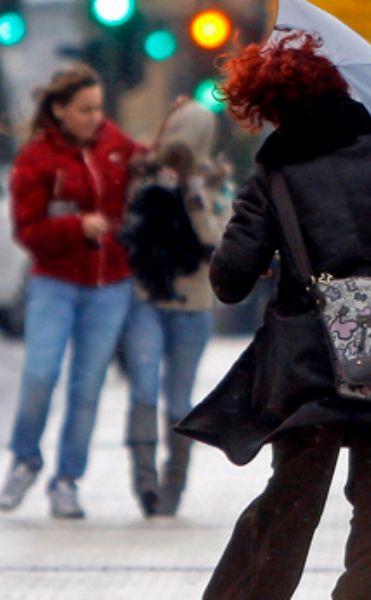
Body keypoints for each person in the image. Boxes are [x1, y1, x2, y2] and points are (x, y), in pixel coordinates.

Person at [194, 32, 371, 600]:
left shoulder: (276, 174)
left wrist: (277, 254)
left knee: (292, 500)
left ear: (269, 106)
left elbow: (230, 280)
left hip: (313, 360)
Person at [0, 65, 139, 518]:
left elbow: (149, 167)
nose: (95, 117)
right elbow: (28, 229)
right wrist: (76, 226)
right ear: (59, 111)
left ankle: (67, 480)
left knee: (87, 386)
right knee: (40, 374)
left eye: (99, 108)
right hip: (55, 282)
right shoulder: (36, 158)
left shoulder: (116, 146)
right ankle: (24, 458)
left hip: (110, 284)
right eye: (84, 110)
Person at [119, 99, 232, 517]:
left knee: (179, 397)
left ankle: (174, 486)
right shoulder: (145, 174)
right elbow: (128, 226)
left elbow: (218, 241)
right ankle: (145, 482)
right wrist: (150, 178)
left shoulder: (216, 184)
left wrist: (192, 191)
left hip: (194, 303)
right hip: (147, 297)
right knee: (144, 386)